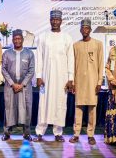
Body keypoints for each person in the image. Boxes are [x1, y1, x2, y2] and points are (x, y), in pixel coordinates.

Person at [34, 10, 74, 142]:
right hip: (46, 78)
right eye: (53, 19)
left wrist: (70, 79)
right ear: (50, 20)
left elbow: (71, 59)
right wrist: (38, 76)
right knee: (43, 104)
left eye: (57, 19)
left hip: (61, 79)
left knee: (60, 103)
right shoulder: (43, 37)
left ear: (61, 21)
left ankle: (58, 133)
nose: (55, 21)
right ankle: (40, 132)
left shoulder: (67, 38)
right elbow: (39, 57)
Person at [69, 19, 104, 145]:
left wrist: (99, 82)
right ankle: (76, 134)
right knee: (78, 108)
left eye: (87, 28)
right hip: (79, 81)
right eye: (83, 28)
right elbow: (72, 65)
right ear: (80, 30)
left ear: (90, 29)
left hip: (93, 82)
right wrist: (72, 81)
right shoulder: (75, 45)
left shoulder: (98, 44)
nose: (85, 30)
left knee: (92, 108)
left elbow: (100, 63)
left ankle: (90, 135)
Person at [1, 29, 35, 141]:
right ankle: (6, 133)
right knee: (9, 109)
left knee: (27, 109)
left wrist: (22, 84)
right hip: (10, 87)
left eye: (19, 38)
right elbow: (4, 70)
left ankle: (27, 133)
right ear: (12, 40)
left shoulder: (29, 53)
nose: (17, 41)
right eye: (15, 39)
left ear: (23, 40)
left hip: (25, 88)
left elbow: (31, 70)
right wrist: (12, 83)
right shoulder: (7, 53)